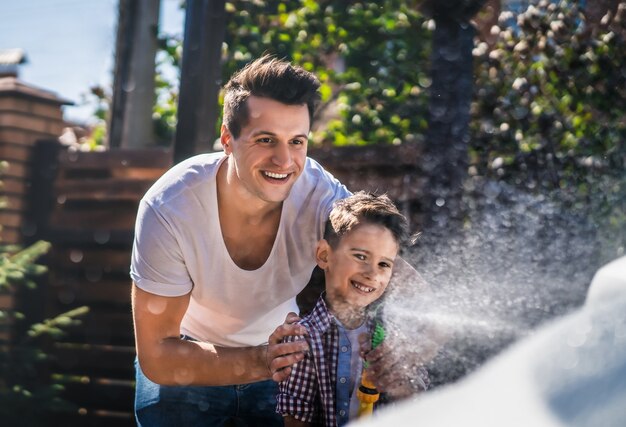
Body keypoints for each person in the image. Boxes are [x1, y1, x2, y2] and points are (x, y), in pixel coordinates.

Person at [131, 55, 433, 426]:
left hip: (280, 369)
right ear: (228, 139)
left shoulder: (322, 198)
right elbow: (158, 355)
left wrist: (407, 350)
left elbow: (403, 283)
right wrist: (263, 359)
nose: (284, 160)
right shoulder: (171, 207)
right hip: (189, 363)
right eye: (265, 139)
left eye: (297, 142)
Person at [277, 192, 430, 426]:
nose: (372, 273)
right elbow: (296, 420)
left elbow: (422, 410)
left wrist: (402, 386)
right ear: (324, 255)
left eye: (384, 264)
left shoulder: (394, 338)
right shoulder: (301, 340)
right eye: (360, 256)